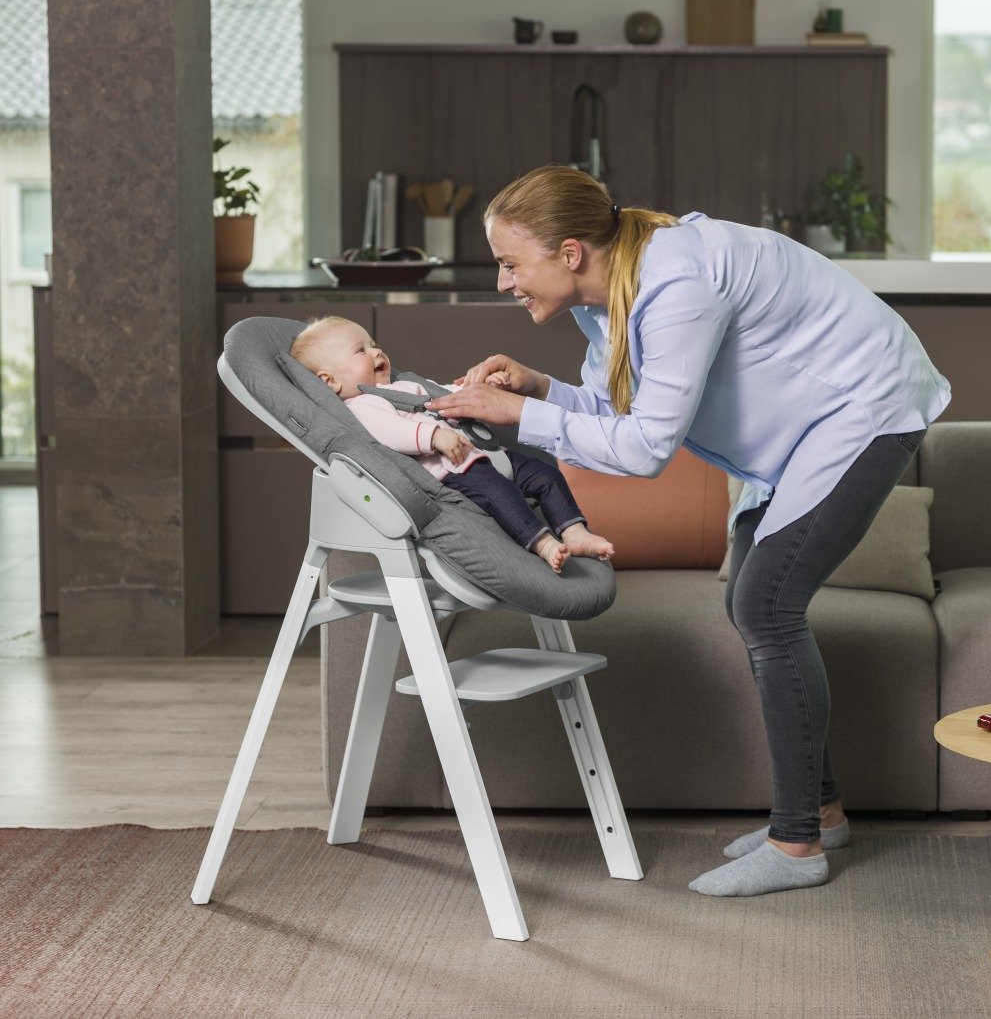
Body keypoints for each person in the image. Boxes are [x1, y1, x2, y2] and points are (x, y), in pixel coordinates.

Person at [427, 166, 950, 897]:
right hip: (805, 428)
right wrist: (539, 389)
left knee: (768, 603)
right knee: (751, 595)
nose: (504, 281)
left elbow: (644, 450)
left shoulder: (676, 284)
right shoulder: (607, 297)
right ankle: (820, 812)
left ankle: (798, 844)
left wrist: (522, 418)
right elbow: (619, 412)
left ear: (570, 252)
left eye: (512, 263)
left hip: (864, 407)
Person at [290, 315, 614, 572]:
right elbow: (387, 431)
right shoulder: (362, 406)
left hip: (486, 452)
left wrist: (481, 389)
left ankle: (573, 530)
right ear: (329, 381)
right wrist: (434, 436)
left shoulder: (407, 385)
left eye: (374, 344)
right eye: (361, 350)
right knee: (501, 495)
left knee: (545, 473)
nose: (376, 352)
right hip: (456, 470)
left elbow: (446, 395)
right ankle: (542, 543)